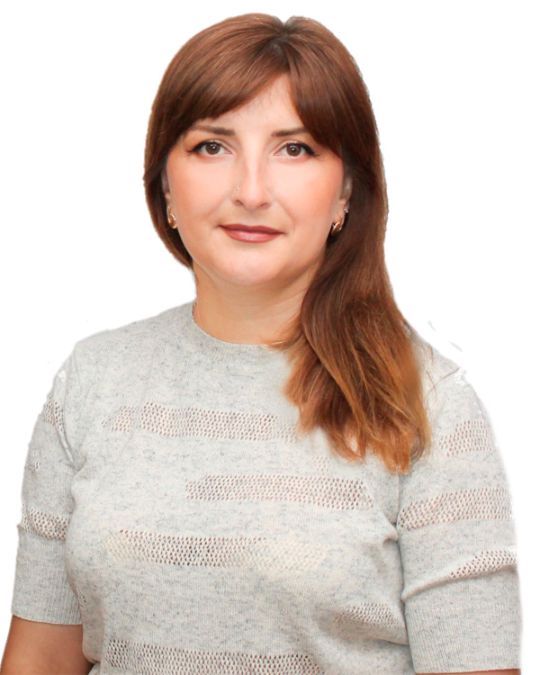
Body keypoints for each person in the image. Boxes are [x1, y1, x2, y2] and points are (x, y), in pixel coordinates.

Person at [0, 12, 521, 675]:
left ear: (346, 191)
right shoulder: (91, 381)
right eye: (212, 146)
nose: (250, 191)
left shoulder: (426, 404)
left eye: (294, 149)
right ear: (165, 184)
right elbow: (42, 659)